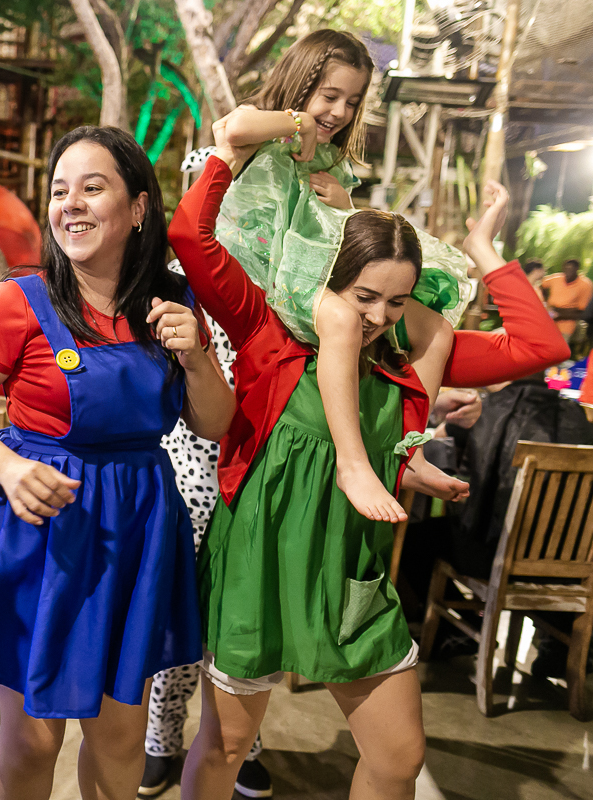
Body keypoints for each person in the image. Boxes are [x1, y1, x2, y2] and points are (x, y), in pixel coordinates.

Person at [169, 109, 567, 800]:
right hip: (259, 562)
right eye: (364, 297)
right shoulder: (268, 329)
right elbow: (188, 234)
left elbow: (540, 348)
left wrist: (486, 248)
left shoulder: (404, 360)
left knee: (398, 755)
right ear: (330, 280)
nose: (379, 316)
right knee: (227, 744)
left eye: (398, 301)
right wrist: (229, 154)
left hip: (348, 569)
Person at [0, 126, 236, 800]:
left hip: (134, 529)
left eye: (93, 188)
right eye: (60, 191)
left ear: (138, 208)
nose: (72, 204)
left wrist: (197, 357)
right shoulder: (16, 303)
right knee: (32, 739)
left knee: (120, 735)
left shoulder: (174, 304)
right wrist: (8, 470)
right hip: (36, 528)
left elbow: (212, 422)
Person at [213, 29, 474, 524]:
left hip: (308, 276)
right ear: (298, 82)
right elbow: (231, 127)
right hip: (261, 280)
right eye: (329, 95)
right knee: (342, 319)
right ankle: (351, 465)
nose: (339, 112)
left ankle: (408, 451)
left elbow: (346, 241)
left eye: (351, 102)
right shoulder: (268, 132)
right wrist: (298, 122)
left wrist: (346, 205)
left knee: (435, 330)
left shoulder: (334, 162)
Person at [141, 302, 272, 800]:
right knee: (175, 624)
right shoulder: (174, 283)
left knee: (238, 629)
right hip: (182, 475)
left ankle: (244, 743)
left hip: (253, 484)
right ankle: (161, 740)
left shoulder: (279, 288)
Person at [543, 258, 592, 339]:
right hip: (549, 318)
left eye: (571, 269)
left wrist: (560, 313)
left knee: (560, 346)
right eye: (566, 269)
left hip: (567, 322)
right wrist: (546, 301)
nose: (568, 272)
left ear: (577, 269)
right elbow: (541, 285)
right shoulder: (556, 278)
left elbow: (581, 310)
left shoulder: (585, 285)